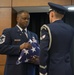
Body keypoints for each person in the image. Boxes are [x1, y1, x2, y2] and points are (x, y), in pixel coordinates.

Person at [0, 10, 39, 75]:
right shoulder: (8, 32)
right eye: (24, 18)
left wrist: (37, 60)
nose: (27, 21)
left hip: (30, 70)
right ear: (17, 19)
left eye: (28, 19)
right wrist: (19, 47)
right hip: (14, 70)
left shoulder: (34, 35)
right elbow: (1, 48)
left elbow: (37, 51)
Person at [39, 2, 74, 75]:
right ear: (62, 15)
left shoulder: (47, 28)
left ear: (51, 14)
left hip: (53, 69)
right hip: (67, 68)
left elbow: (43, 50)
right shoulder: (70, 29)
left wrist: (42, 69)